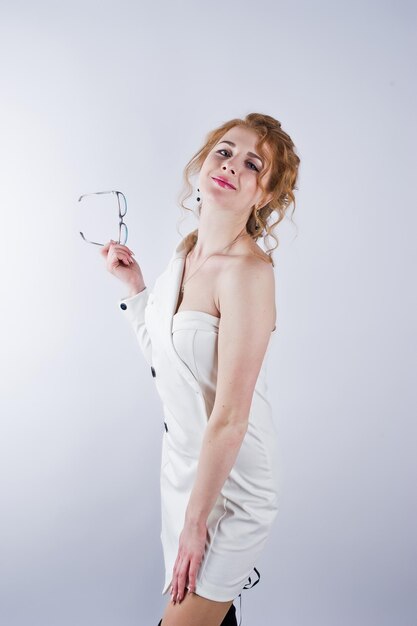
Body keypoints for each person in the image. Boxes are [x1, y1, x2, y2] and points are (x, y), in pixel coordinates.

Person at [101, 113, 300, 626]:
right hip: (186, 476)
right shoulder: (185, 254)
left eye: (252, 164)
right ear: (204, 163)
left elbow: (232, 415)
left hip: (231, 489)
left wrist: (197, 523)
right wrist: (135, 288)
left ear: (263, 196)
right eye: (225, 151)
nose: (232, 165)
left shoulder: (249, 275)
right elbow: (166, 366)